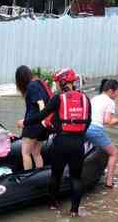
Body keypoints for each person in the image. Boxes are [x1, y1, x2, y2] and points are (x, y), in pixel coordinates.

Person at [18, 68, 91, 217]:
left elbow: (42, 116)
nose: (57, 86)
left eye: (58, 83)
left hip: (61, 141)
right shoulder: (85, 98)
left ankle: (53, 205)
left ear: (62, 82)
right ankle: (74, 211)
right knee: (76, 177)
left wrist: (25, 122)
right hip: (78, 143)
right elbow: (88, 121)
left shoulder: (58, 98)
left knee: (56, 175)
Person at [85, 79, 118, 188]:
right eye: (117, 92)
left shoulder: (95, 98)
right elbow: (107, 121)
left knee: (97, 148)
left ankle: (98, 171)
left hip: (85, 128)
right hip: (95, 129)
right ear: (111, 91)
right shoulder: (110, 102)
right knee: (114, 152)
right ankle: (109, 182)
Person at [15, 65, 52, 170]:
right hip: (42, 126)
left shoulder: (31, 86)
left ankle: (28, 177)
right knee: (36, 153)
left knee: (25, 153)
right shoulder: (40, 83)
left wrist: (28, 121)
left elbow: (41, 104)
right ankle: (38, 175)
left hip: (33, 125)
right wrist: (44, 123)